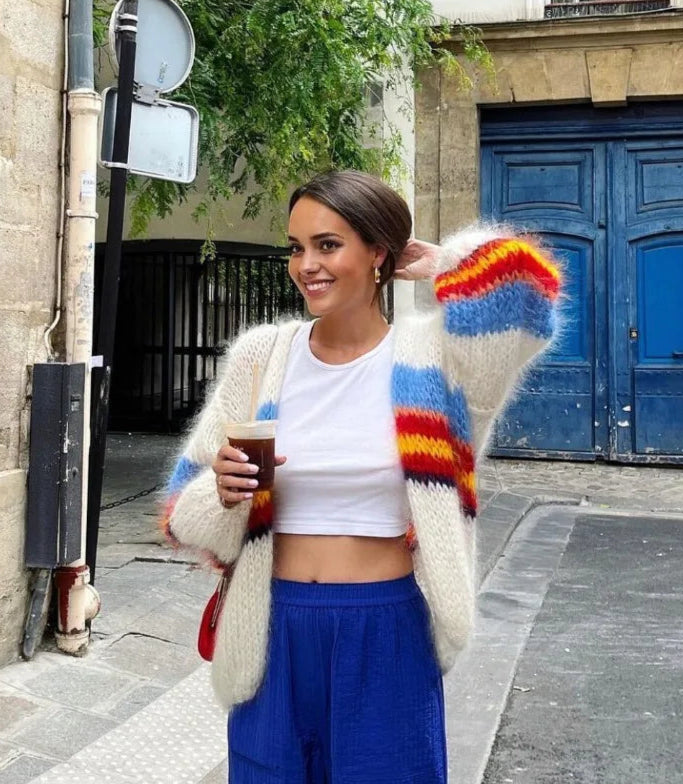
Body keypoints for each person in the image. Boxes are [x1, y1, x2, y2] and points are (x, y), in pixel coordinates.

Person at [161, 170, 560, 783]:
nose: (306, 265)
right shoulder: (260, 358)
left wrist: (442, 262)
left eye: (328, 244)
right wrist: (222, 495)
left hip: (387, 629)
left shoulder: (438, 363)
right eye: (297, 247)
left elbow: (530, 293)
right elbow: (178, 517)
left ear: (378, 253)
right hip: (270, 627)